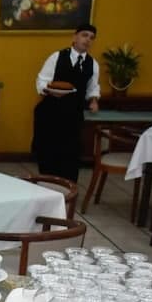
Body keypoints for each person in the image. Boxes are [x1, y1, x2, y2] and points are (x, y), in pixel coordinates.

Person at [31, 23, 100, 183]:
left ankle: (68, 189)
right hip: (51, 112)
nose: (87, 40)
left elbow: (93, 87)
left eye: (91, 38)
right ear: (75, 37)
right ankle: (47, 186)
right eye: (84, 35)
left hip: (73, 115)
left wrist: (93, 100)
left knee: (70, 155)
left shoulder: (92, 64)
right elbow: (42, 80)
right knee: (48, 152)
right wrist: (50, 91)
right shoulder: (57, 57)